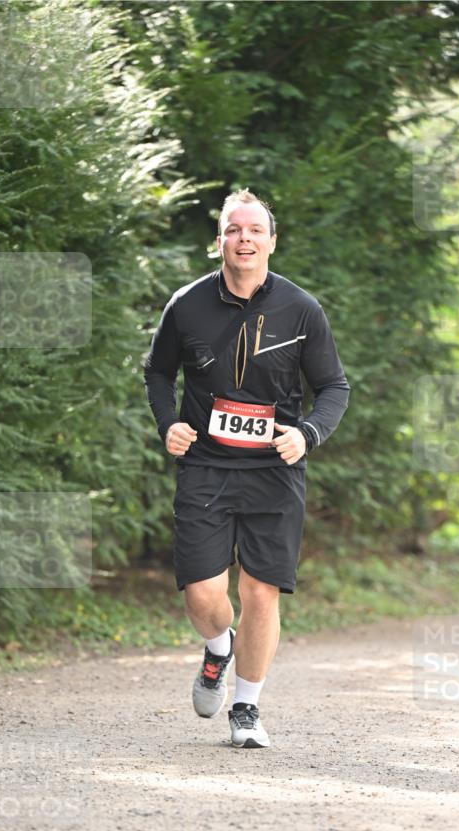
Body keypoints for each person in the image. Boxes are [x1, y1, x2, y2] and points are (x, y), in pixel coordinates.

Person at [143, 189, 349, 748]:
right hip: (206, 466)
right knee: (202, 594)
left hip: (273, 469)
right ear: (219, 242)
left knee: (261, 592)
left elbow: (334, 386)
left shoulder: (301, 309)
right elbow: (158, 373)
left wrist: (307, 434)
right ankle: (218, 647)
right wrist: (168, 424)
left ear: (272, 242)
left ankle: (247, 708)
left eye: (255, 230)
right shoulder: (186, 305)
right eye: (234, 230)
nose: (245, 239)